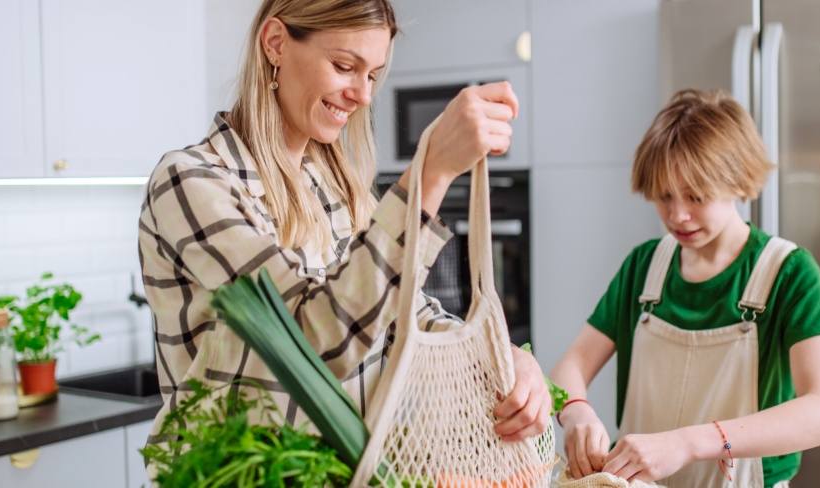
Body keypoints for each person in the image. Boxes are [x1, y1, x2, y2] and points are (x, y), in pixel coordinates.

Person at [136, 0, 550, 451]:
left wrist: (502, 360)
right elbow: (308, 344)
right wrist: (430, 171)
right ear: (276, 44)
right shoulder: (191, 181)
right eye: (344, 66)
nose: (363, 94)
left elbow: (399, 317)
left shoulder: (333, 186)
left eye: (371, 74)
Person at [549, 88, 820, 487]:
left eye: (697, 196)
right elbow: (571, 366)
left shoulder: (789, 273)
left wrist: (689, 443)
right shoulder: (645, 266)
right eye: (664, 196)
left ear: (738, 181)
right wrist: (577, 412)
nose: (678, 215)